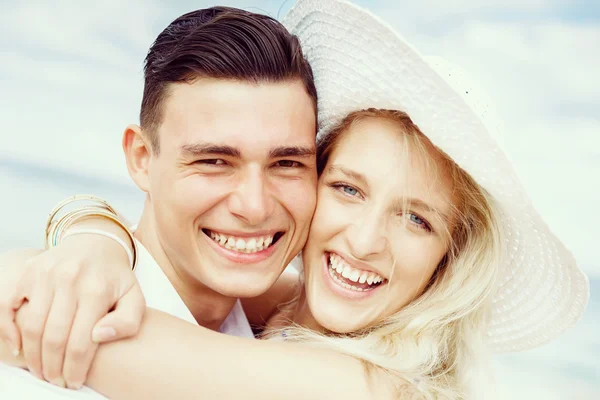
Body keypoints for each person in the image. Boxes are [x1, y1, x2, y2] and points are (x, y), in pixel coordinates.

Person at [0, 0, 589, 398]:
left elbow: (26, 316)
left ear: (452, 257)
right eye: (348, 189)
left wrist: (86, 237)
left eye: (416, 219)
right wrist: (95, 232)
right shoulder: (266, 312)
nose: (363, 240)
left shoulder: (373, 385)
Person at [0, 5, 318, 398]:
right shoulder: (50, 376)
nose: (255, 206)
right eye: (214, 161)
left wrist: (96, 228)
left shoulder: (280, 330)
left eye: (287, 163)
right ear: (142, 159)